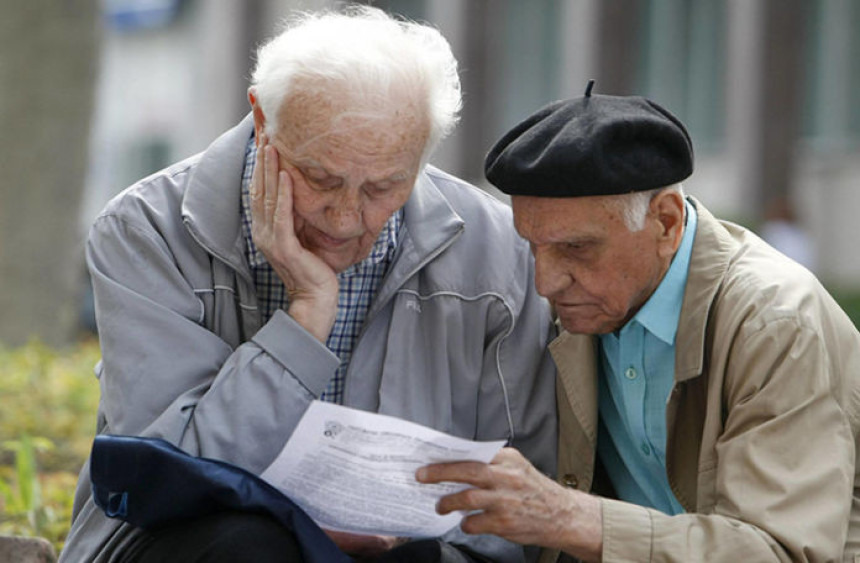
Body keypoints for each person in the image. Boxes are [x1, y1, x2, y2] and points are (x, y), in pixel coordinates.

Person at [60, 6, 557, 563]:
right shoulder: (147, 230)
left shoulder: (497, 251)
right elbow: (169, 473)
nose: (345, 219)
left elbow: (521, 499)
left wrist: (410, 544)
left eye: (384, 188)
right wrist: (307, 316)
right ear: (261, 118)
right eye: (320, 178)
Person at [417, 83, 860, 562]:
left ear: (666, 224)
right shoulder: (585, 305)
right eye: (532, 245)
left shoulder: (776, 322)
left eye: (576, 248)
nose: (545, 283)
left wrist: (567, 517)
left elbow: (779, 552)